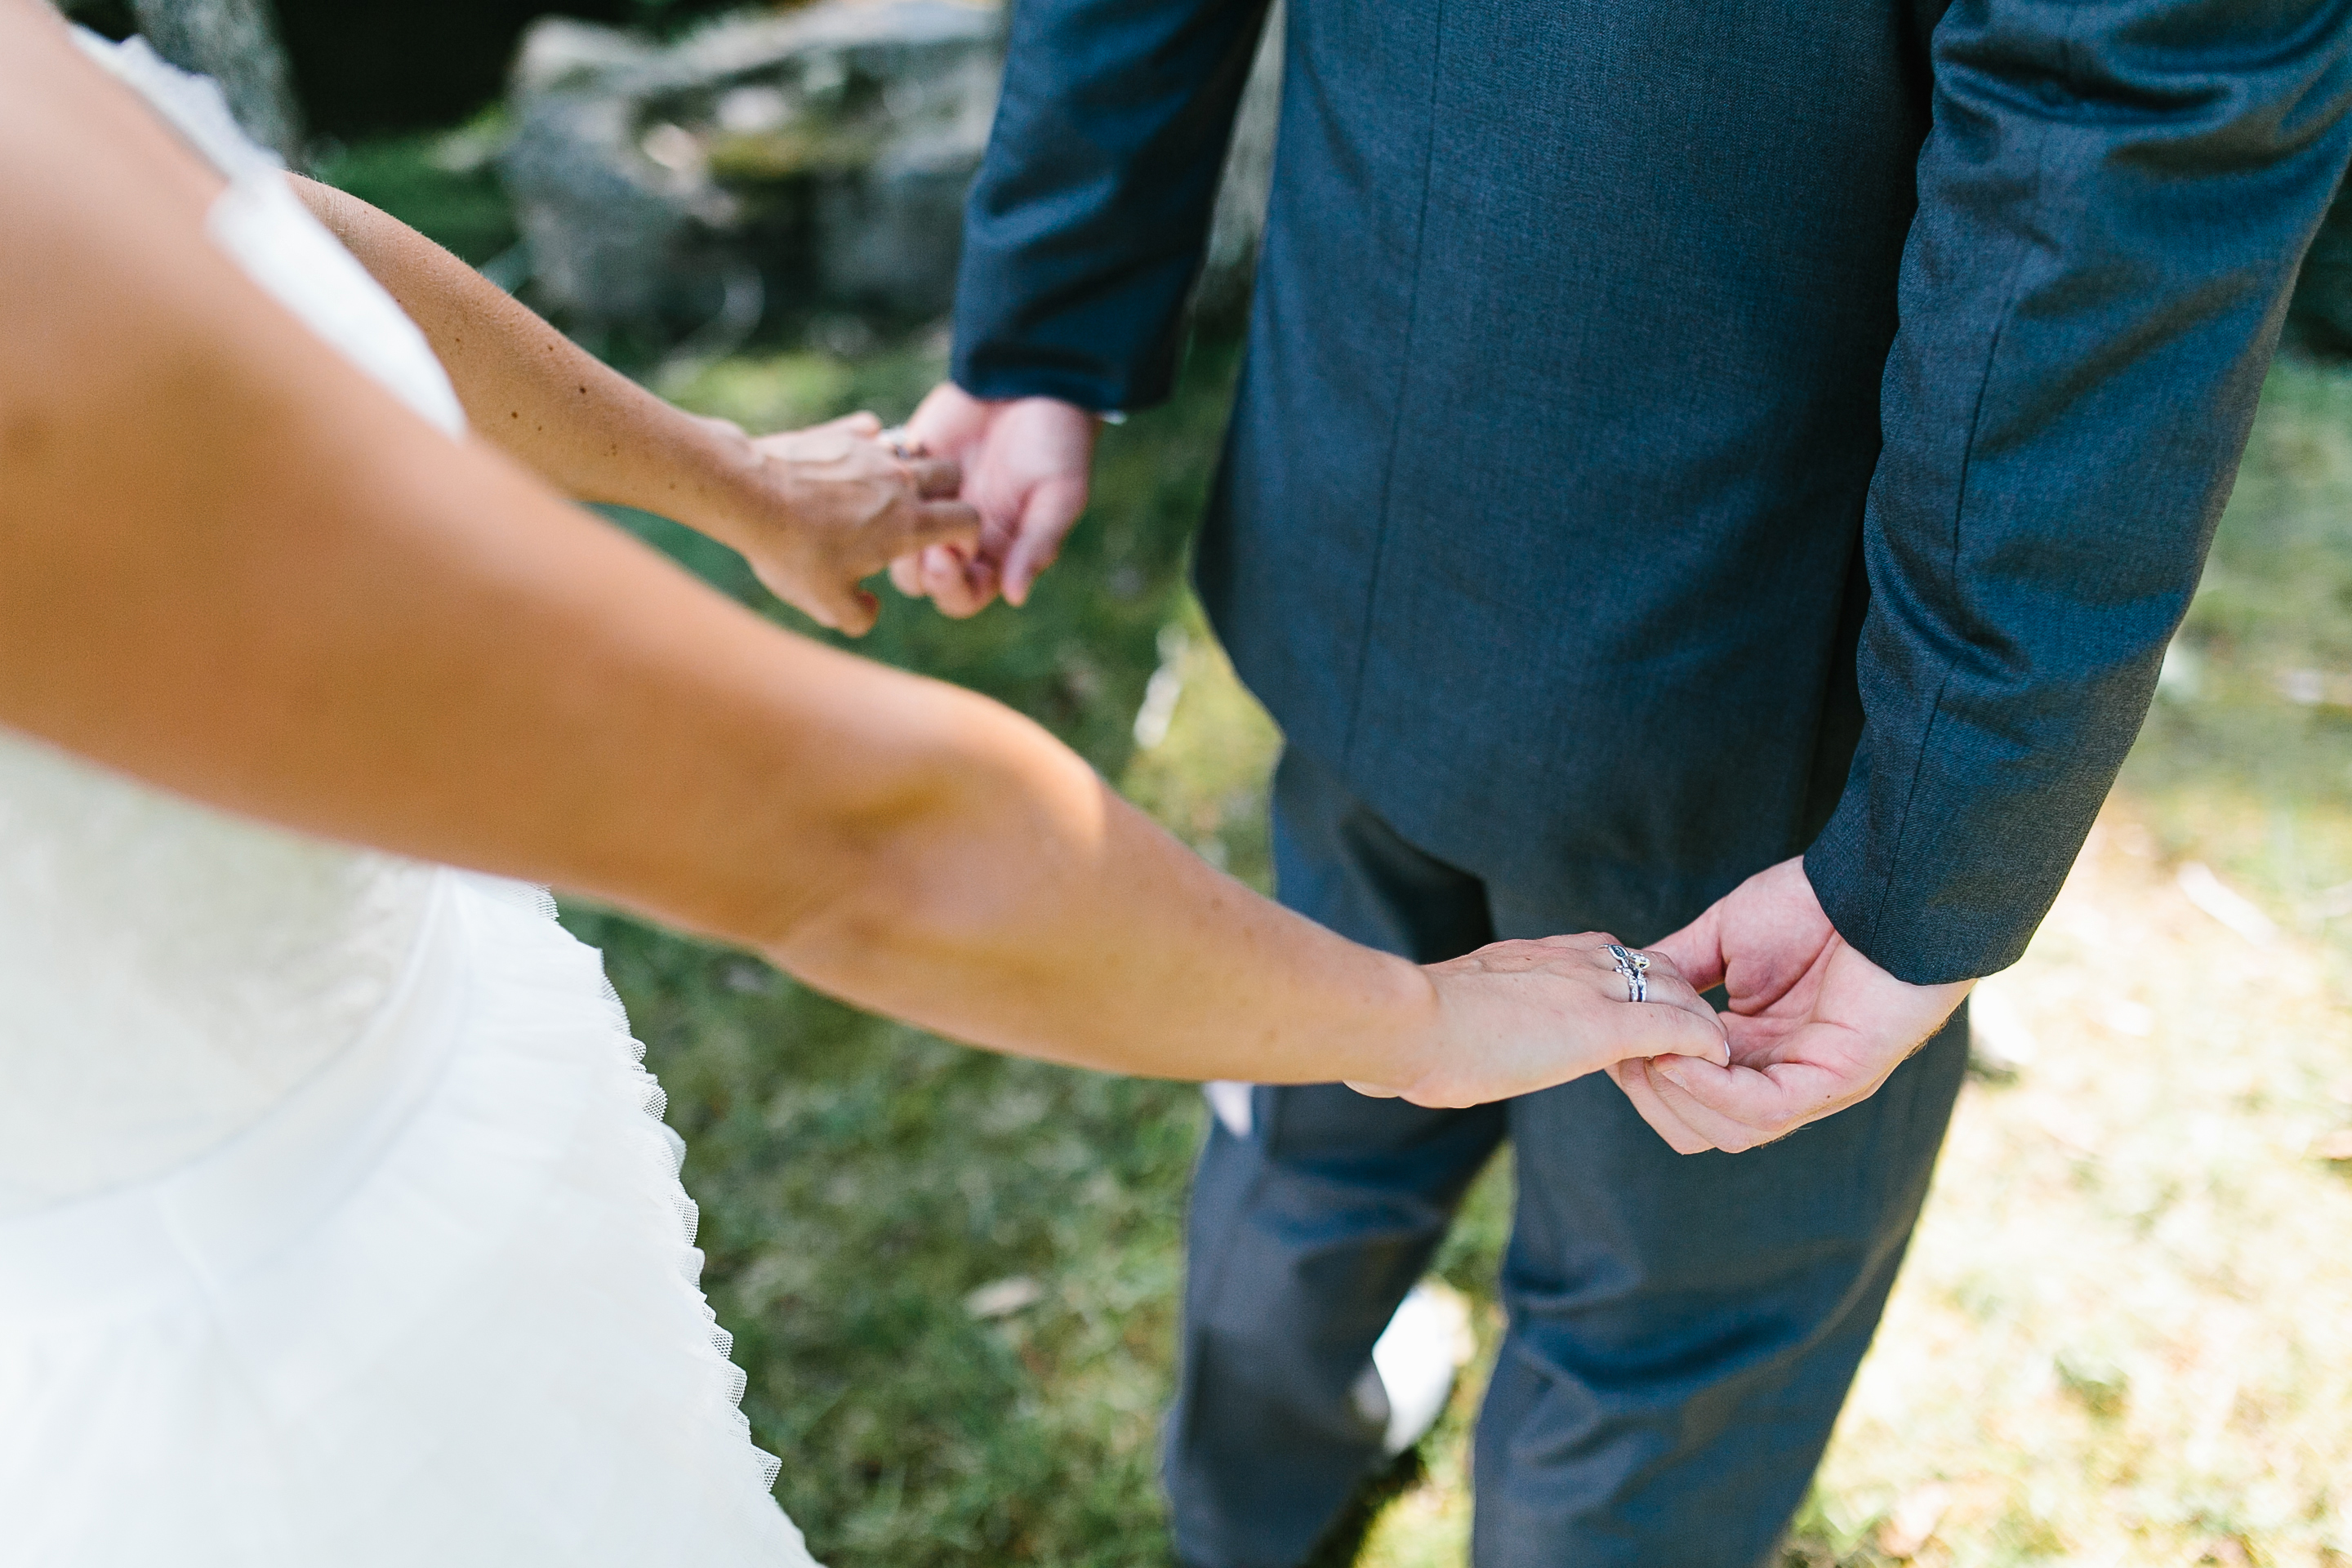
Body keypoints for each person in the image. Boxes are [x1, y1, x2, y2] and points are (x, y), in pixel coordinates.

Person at [0, 7, 1731, 1565]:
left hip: (410, 1137)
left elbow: (231, 224)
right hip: (250, 1369)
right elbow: (861, 847)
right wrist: (1419, 1021)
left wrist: (733, 478)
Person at [891, 0, 2352, 1561]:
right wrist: (1939, 825)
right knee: (1670, 1329)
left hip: (1360, 527)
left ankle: (1249, 1511)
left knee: (1312, 1115)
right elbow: (2113, 128)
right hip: (1743, 685)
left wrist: (1046, 317)